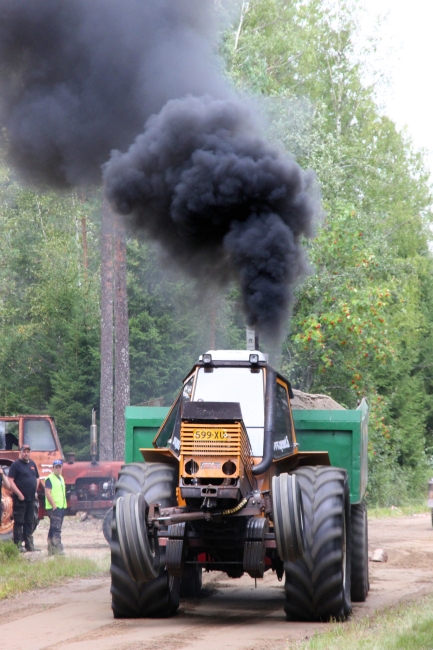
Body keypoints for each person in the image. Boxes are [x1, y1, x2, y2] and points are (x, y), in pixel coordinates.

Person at [8, 444, 40, 552]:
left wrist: (35, 490)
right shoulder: (15, 465)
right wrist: (19, 494)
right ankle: (17, 545)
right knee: (19, 522)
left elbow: (37, 478)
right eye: (24, 451)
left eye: (28, 451)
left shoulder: (32, 464)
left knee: (29, 521)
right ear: (20, 453)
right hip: (20, 499)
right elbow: (10, 480)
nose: (26, 453)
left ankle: (29, 545)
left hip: (31, 498)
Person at [44, 459, 67, 555]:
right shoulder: (49, 478)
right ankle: (57, 547)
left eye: (60, 467)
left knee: (53, 527)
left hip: (61, 506)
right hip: (54, 507)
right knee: (56, 528)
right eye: (56, 467)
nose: (58, 469)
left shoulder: (61, 478)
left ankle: (50, 548)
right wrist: (54, 505)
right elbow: (47, 493)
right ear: (53, 468)